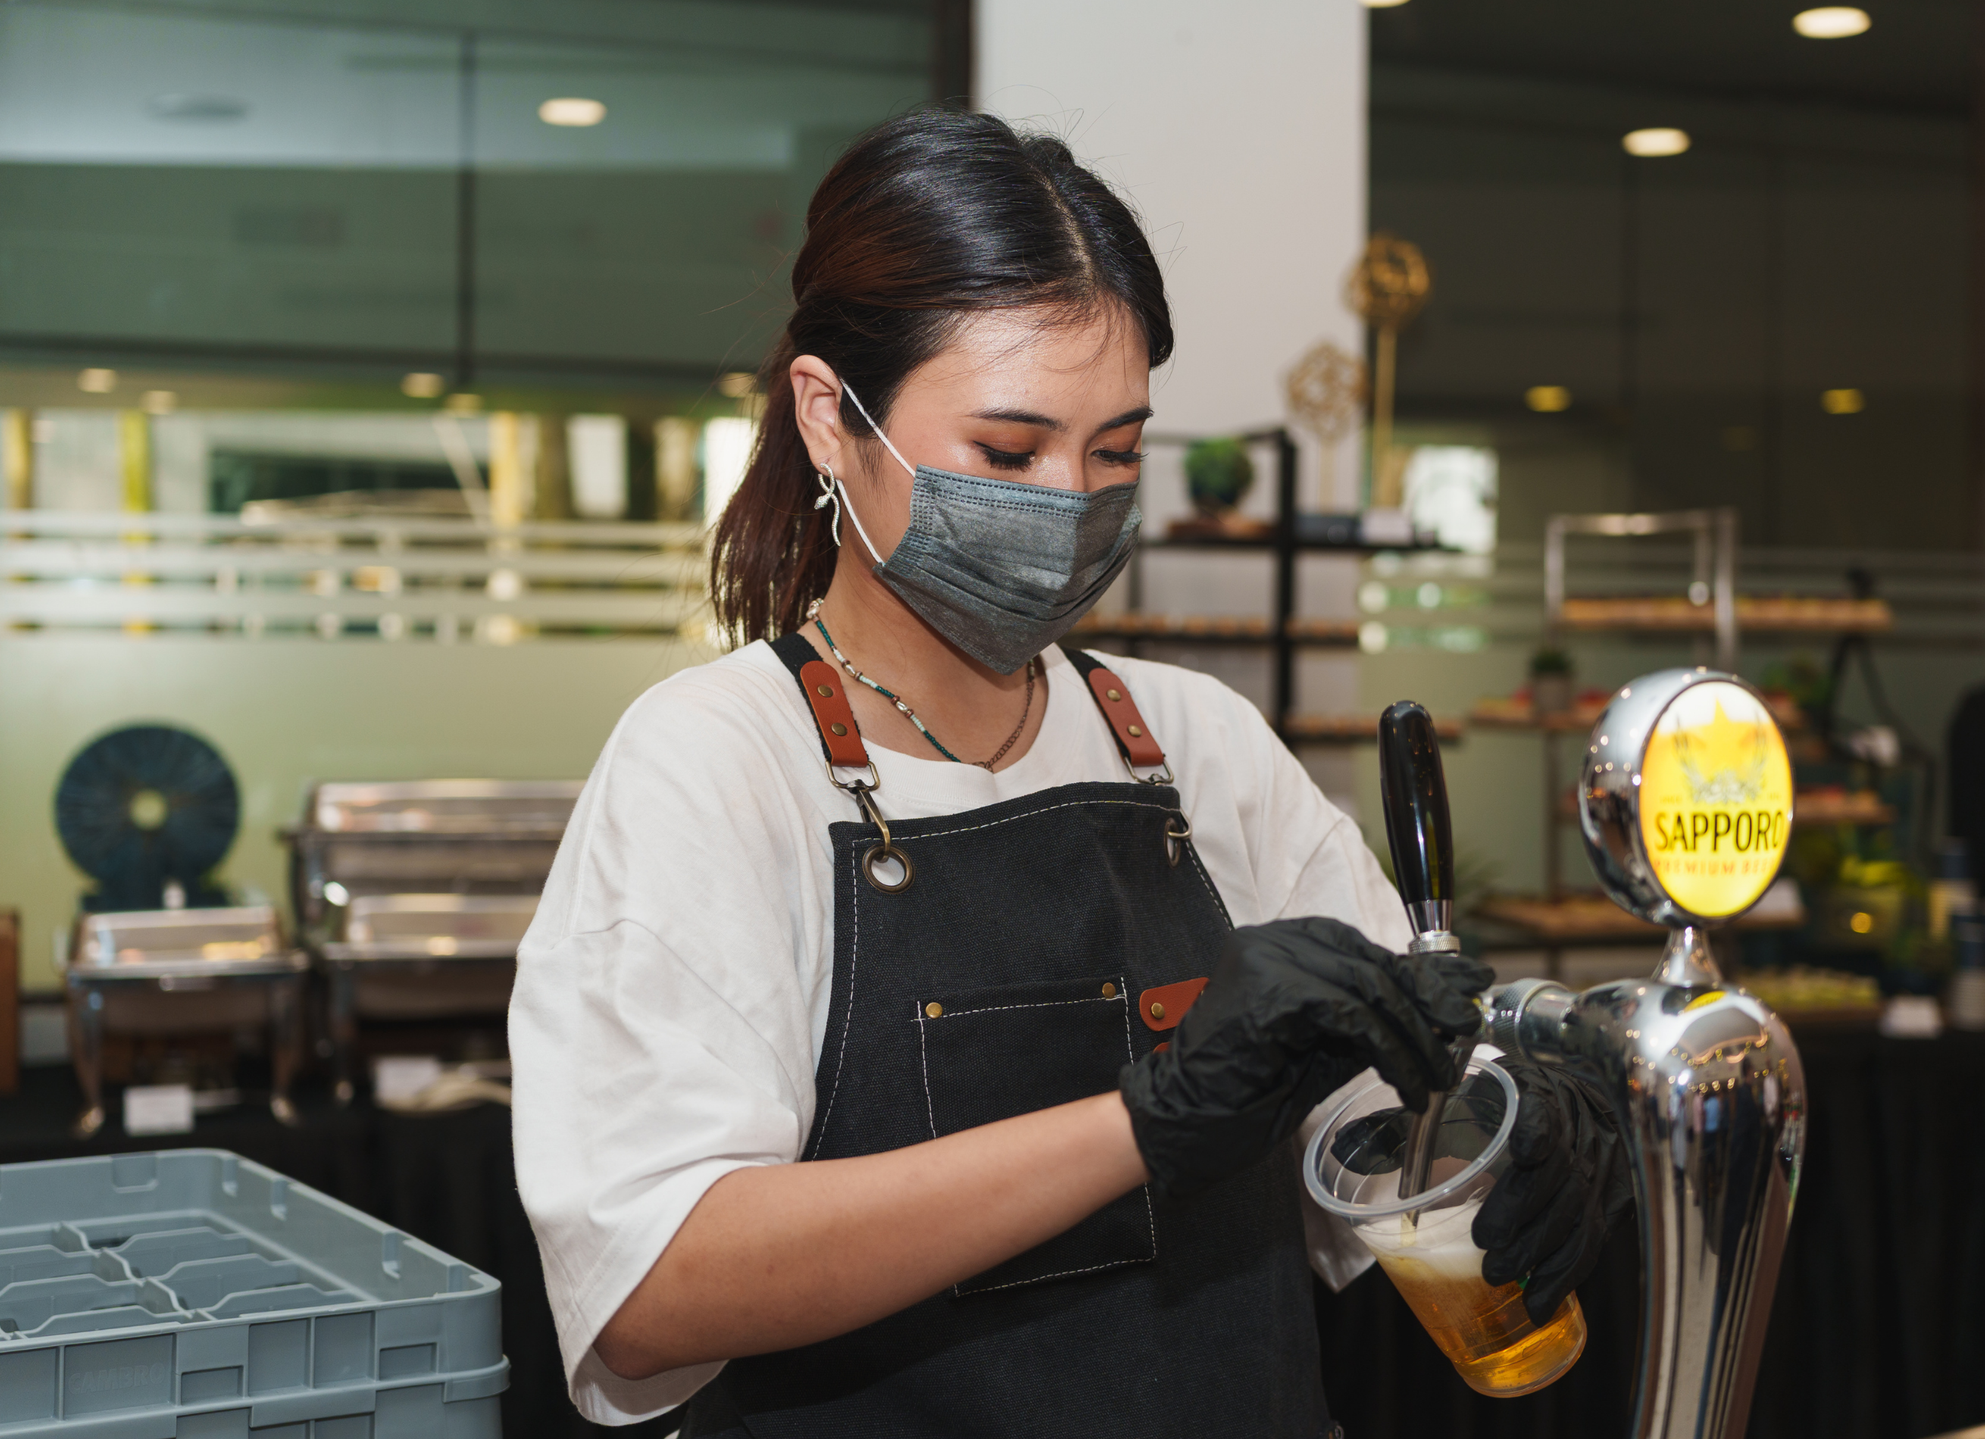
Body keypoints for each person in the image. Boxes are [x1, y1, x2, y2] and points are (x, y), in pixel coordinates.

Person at [510, 108, 1629, 1435]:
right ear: (829, 416)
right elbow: (655, 1281)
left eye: (1113, 452)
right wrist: (1140, 1120)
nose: (1068, 503)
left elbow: (1373, 1142)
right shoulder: (721, 764)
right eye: (1007, 449)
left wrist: (1508, 1121)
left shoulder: (1194, 748)